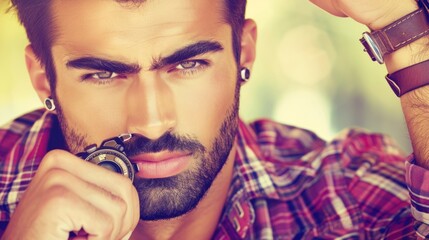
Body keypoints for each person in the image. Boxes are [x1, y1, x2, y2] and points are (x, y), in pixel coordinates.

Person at [0, 0, 428, 239]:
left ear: (244, 53)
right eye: (103, 74)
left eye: (188, 65)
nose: (152, 123)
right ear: (43, 78)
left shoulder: (348, 203)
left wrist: (400, 24)